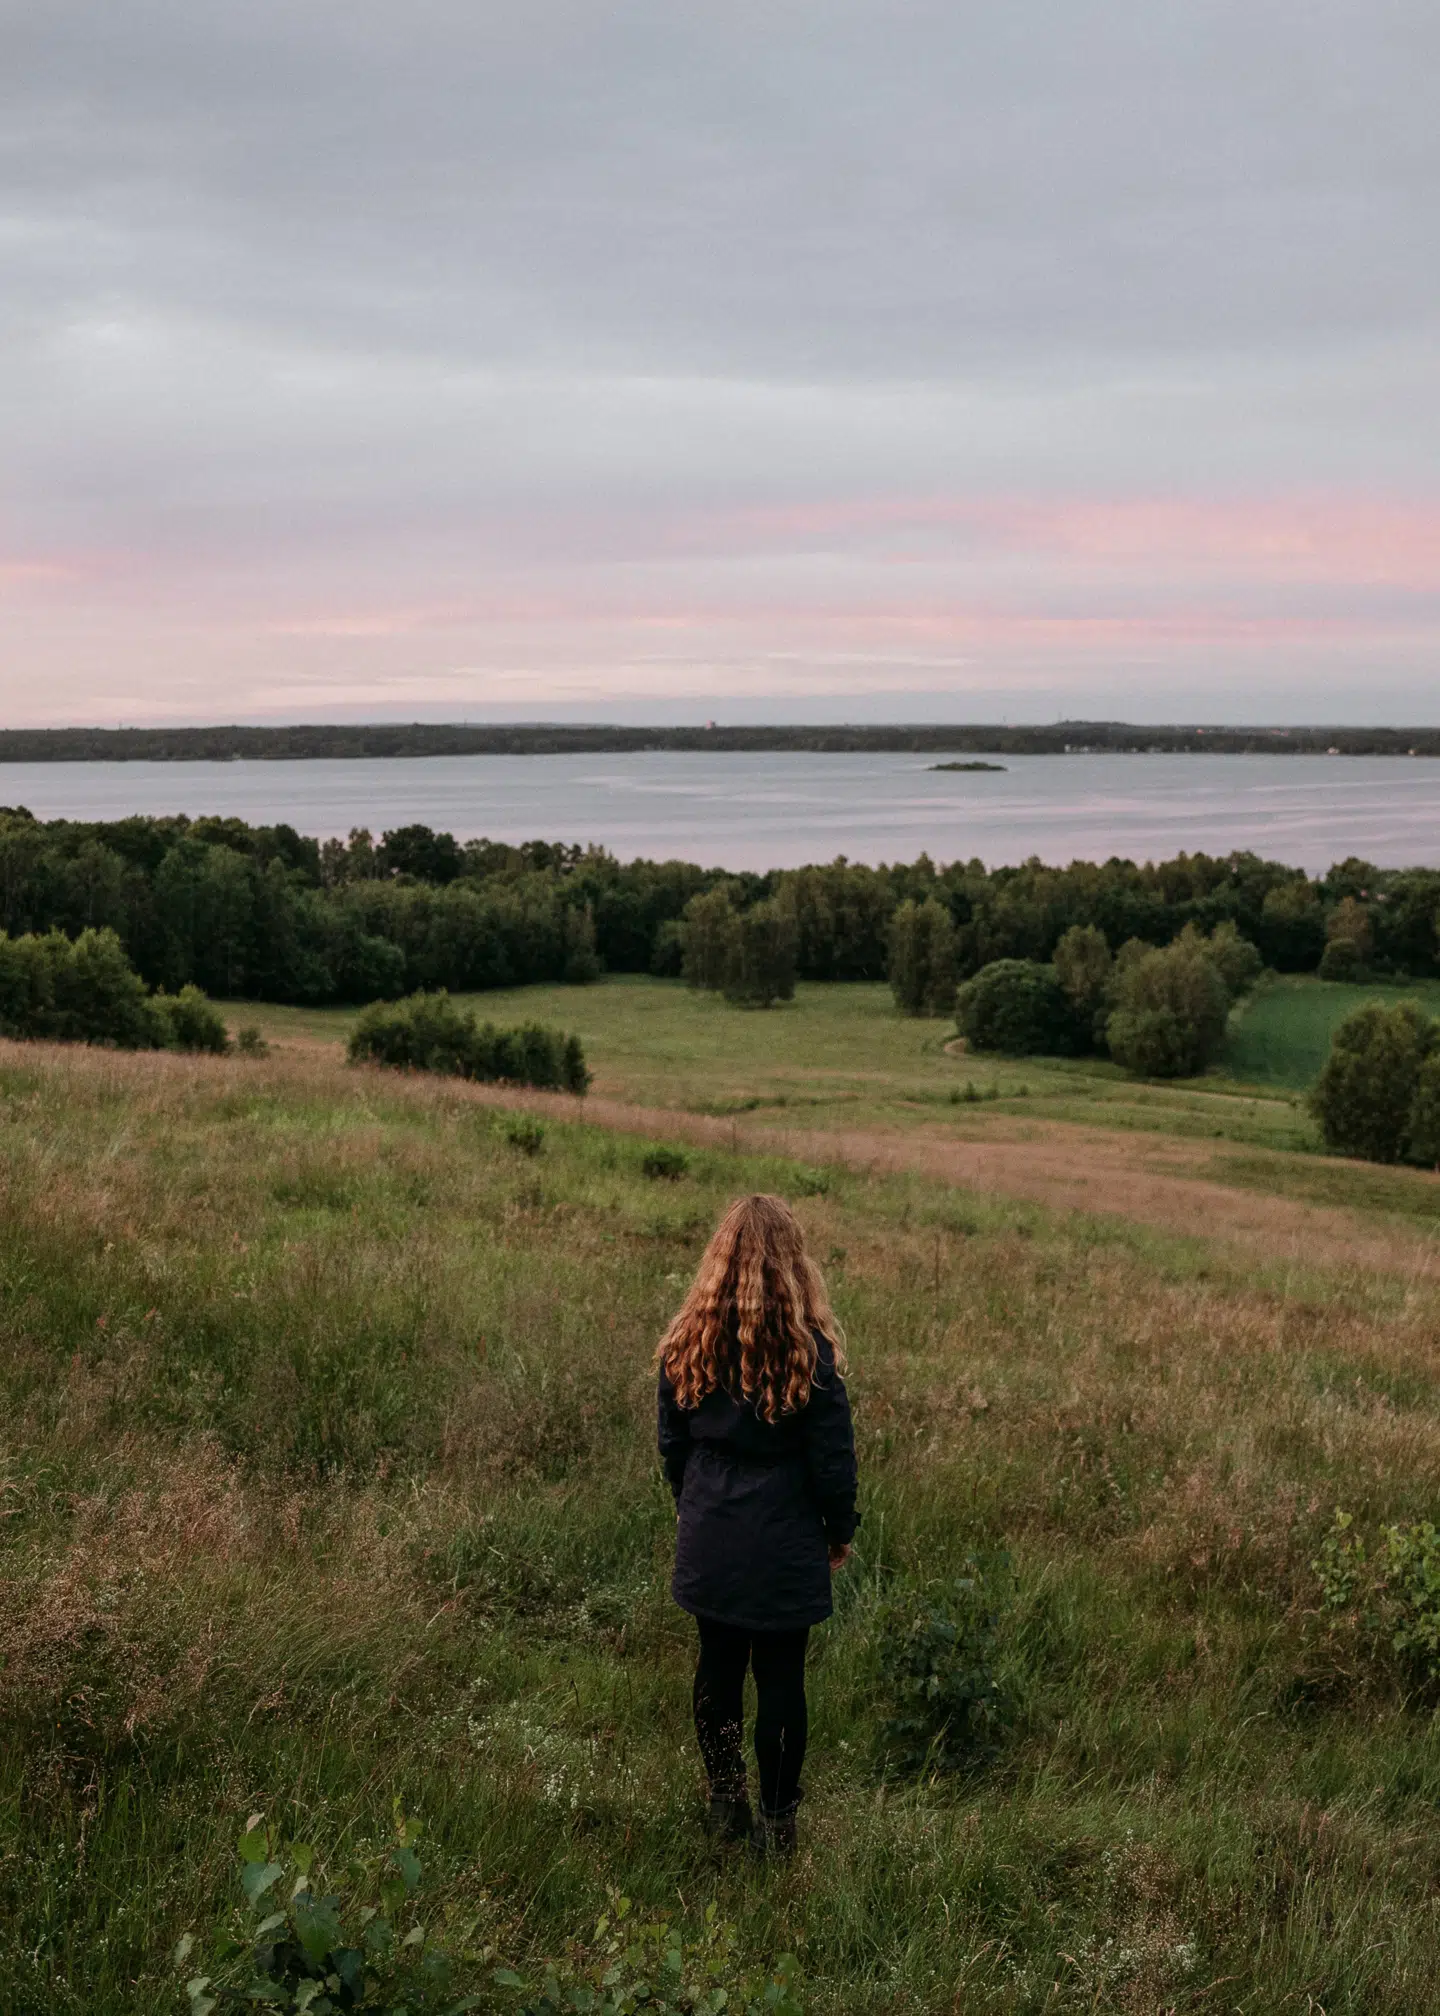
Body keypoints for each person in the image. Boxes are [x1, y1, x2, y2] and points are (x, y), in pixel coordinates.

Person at [656, 1192, 858, 1859]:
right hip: (784, 1533)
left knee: (717, 1667)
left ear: (720, 1259)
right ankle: (777, 1823)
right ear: (792, 1265)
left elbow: (672, 1443)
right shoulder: (812, 1353)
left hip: (712, 1524)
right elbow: (832, 1460)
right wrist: (839, 1529)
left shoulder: (688, 1339)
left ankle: (724, 1801)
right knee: (780, 1678)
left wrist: (697, 1503)